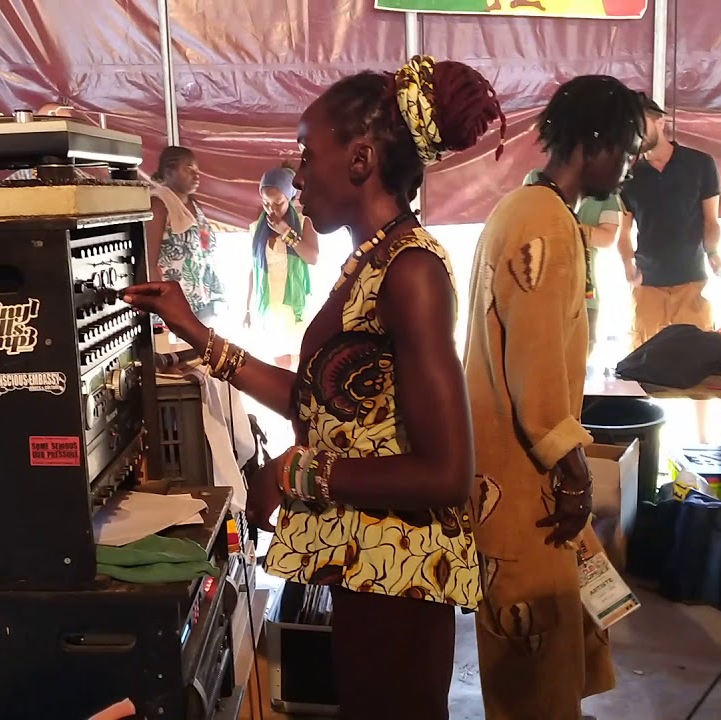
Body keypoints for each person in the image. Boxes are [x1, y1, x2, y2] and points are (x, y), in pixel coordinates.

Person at [122, 56, 505, 719]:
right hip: (373, 570)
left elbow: (446, 472)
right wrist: (197, 334)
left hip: (401, 580)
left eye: (307, 154)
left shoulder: (410, 270)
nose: (297, 177)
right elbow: (317, 400)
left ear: (360, 160)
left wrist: (298, 471)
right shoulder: (372, 263)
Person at [464, 75, 645, 719]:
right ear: (593, 143)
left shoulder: (522, 208)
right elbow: (536, 377)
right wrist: (575, 476)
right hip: (527, 488)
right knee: (534, 670)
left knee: (539, 651)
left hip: (502, 479)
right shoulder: (545, 226)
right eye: (625, 149)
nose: (626, 166)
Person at [619, 93, 721, 442]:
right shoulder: (628, 175)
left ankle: (704, 441)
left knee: (700, 362)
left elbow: (711, 221)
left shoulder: (700, 163)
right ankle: (640, 437)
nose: (635, 133)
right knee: (641, 364)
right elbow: (623, 232)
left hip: (692, 280)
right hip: (647, 284)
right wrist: (627, 263)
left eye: (639, 124)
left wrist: (714, 253)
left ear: (659, 121)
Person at [522, 167, 624, 356]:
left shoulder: (607, 189)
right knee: (538, 359)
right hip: (540, 291)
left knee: (579, 360)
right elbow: (526, 225)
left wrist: (567, 227)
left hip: (584, 294)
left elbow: (608, 238)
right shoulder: (536, 178)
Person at [244, 163, 319, 370]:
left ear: (290, 197)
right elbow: (254, 270)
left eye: (278, 203)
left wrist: (286, 232)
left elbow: (312, 257)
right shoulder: (256, 229)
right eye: (266, 203)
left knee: (304, 365)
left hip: (296, 307)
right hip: (269, 308)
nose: (272, 209)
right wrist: (247, 308)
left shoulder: (304, 222)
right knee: (280, 366)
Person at [145, 146, 225, 321]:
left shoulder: (195, 205)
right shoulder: (158, 205)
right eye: (188, 169)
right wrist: (163, 308)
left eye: (197, 170)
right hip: (175, 307)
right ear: (169, 172)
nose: (196, 175)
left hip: (203, 302)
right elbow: (148, 263)